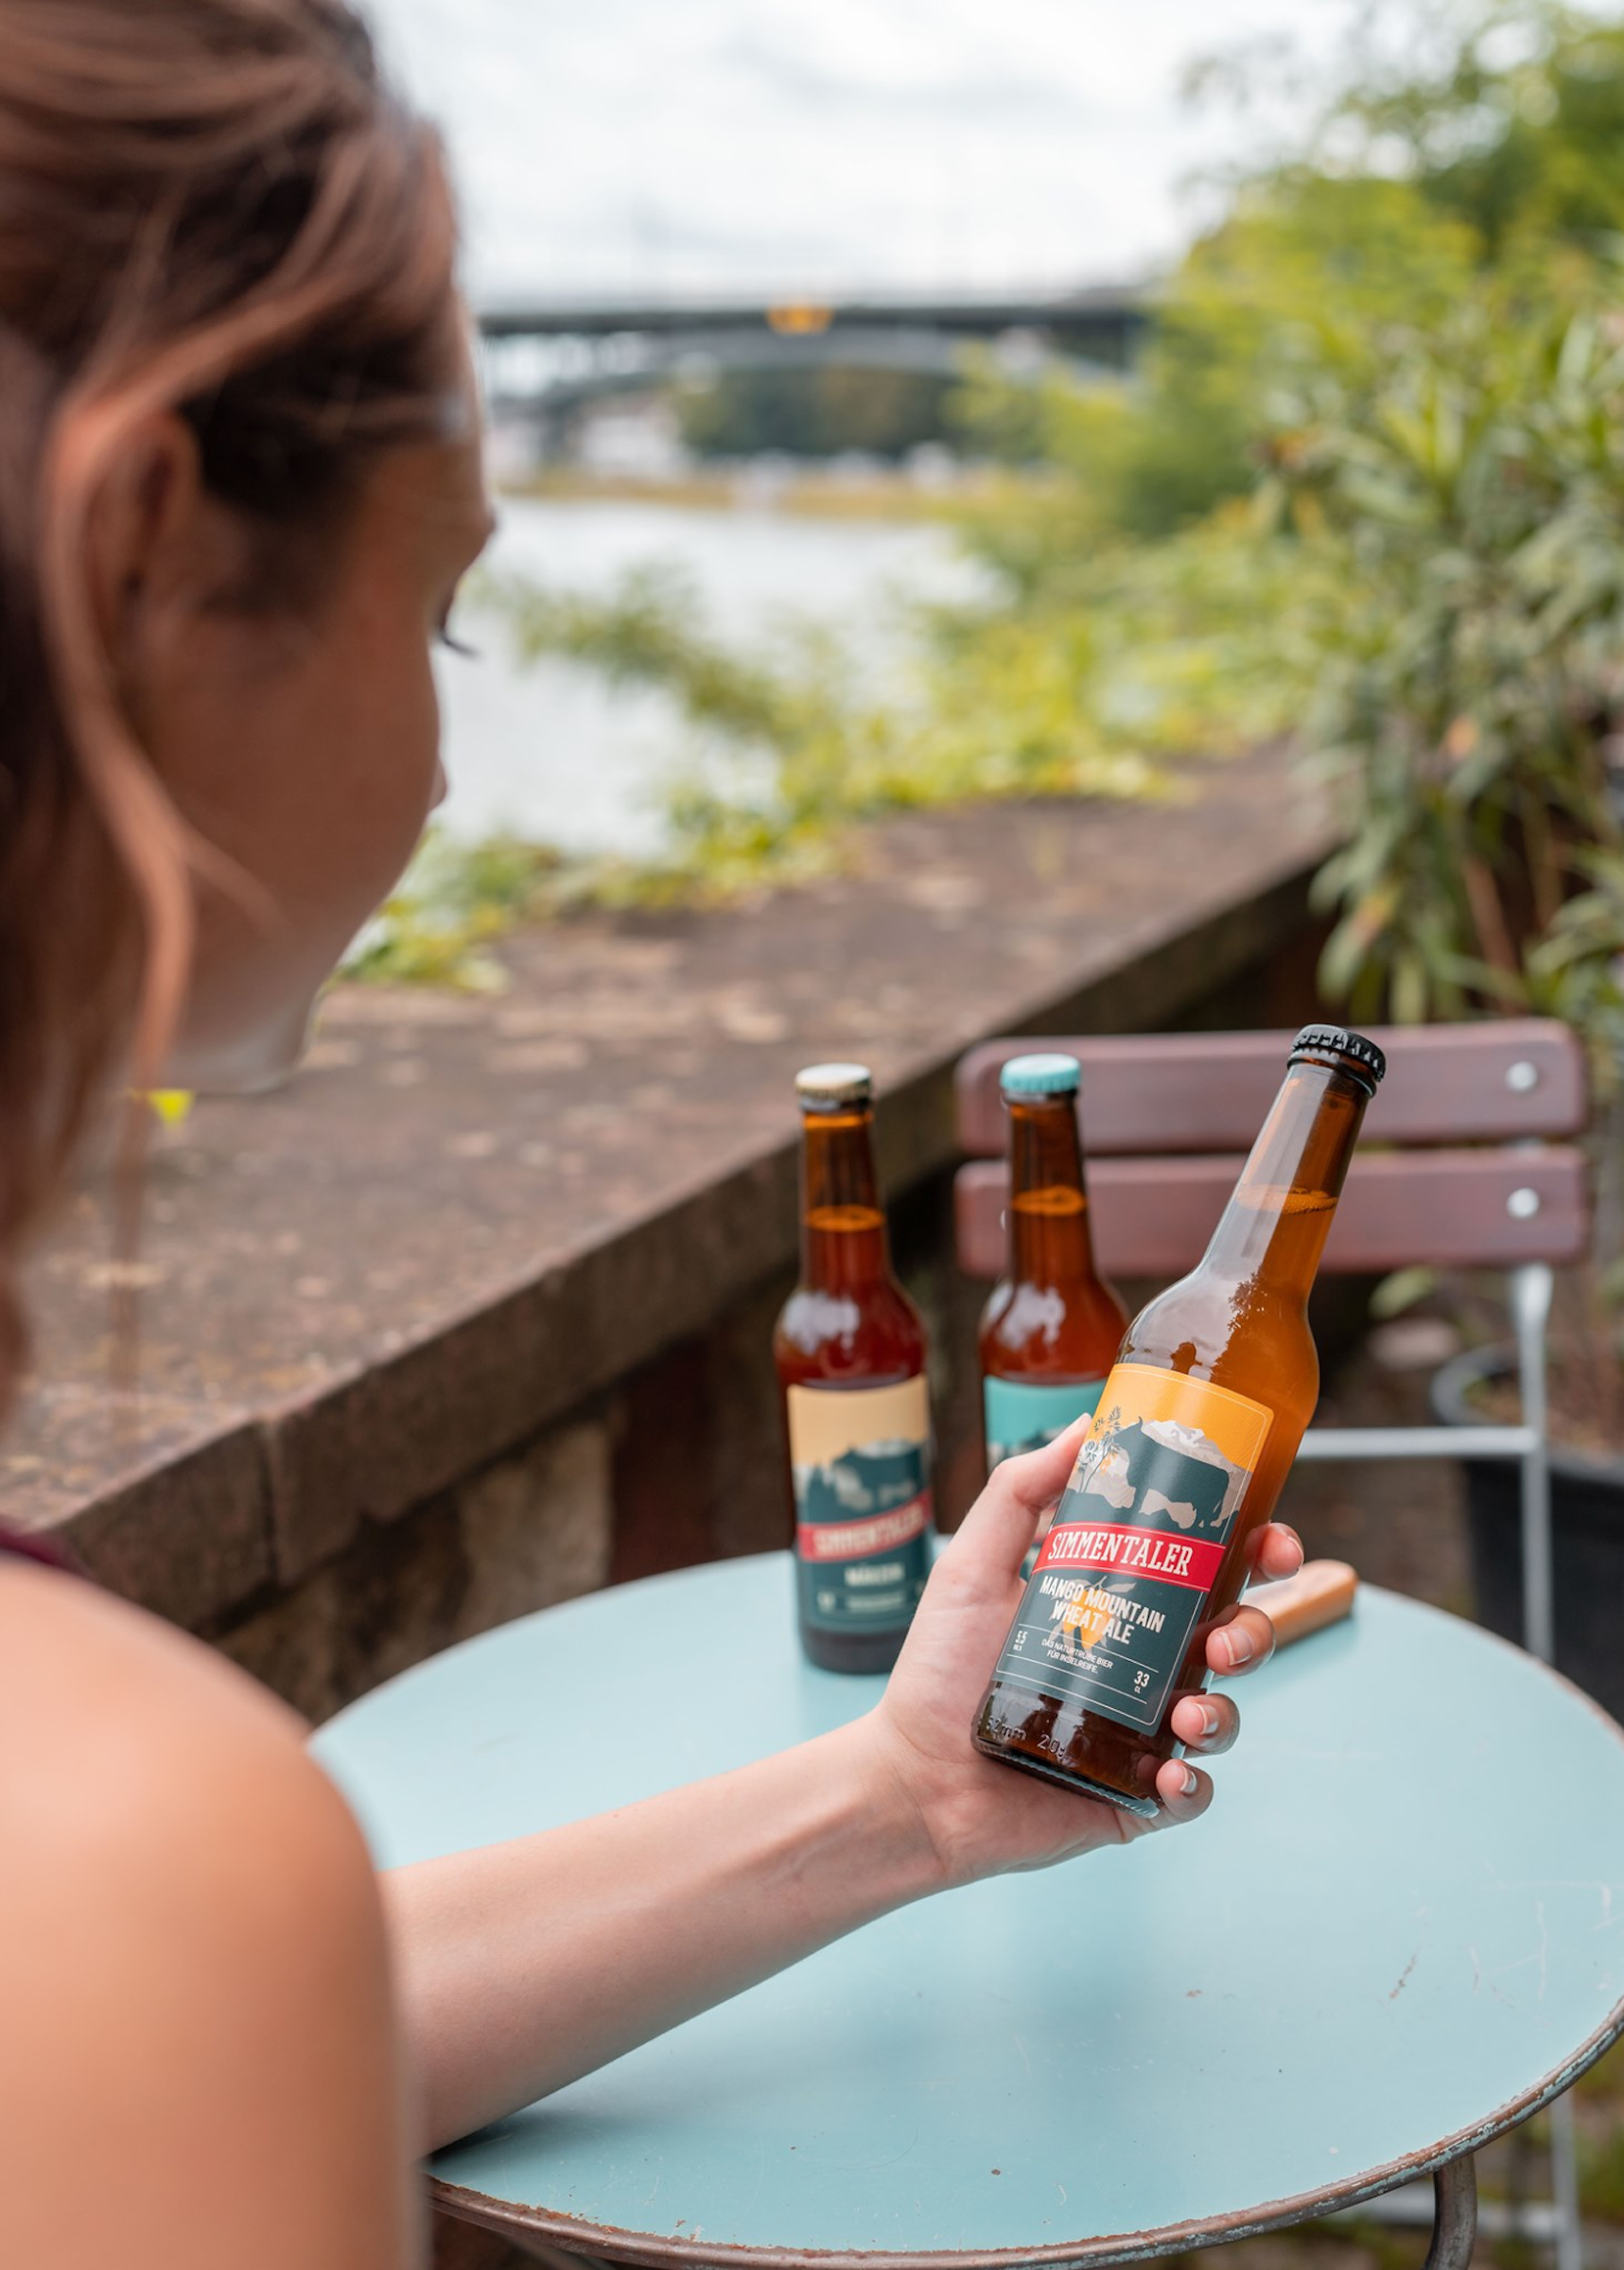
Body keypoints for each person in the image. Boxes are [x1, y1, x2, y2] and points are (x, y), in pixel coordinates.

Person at [0, 7, 1306, 2263]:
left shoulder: (129, 1887)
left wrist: (904, 1797)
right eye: (450, 611)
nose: (437, 770)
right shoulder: (119, 1825)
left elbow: (170, 2041)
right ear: (143, 559)